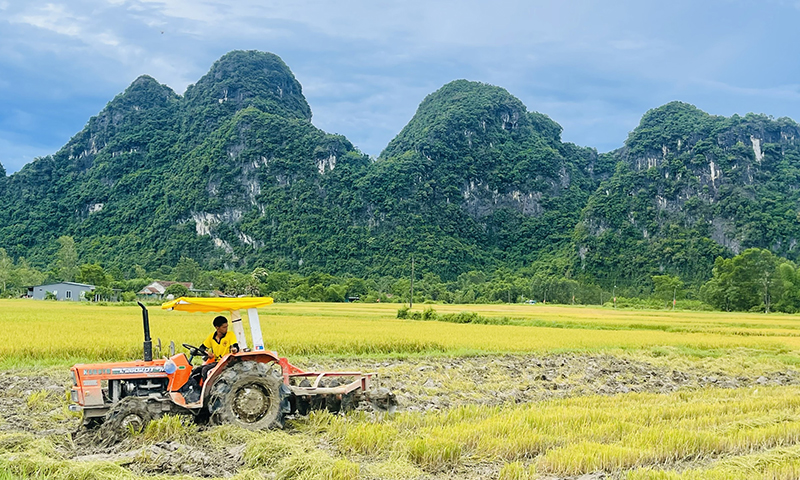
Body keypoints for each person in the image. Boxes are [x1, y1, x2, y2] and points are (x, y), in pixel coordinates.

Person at [198, 315, 239, 381]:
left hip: (227, 362)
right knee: (198, 370)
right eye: (224, 327)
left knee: (205, 370)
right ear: (217, 328)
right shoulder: (211, 337)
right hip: (217, 362)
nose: (226, 329)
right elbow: (202, 348)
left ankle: (207, 390)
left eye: (227, 326)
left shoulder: (230, 335)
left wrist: (234, 350)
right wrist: (207, 353)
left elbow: (235, 346)